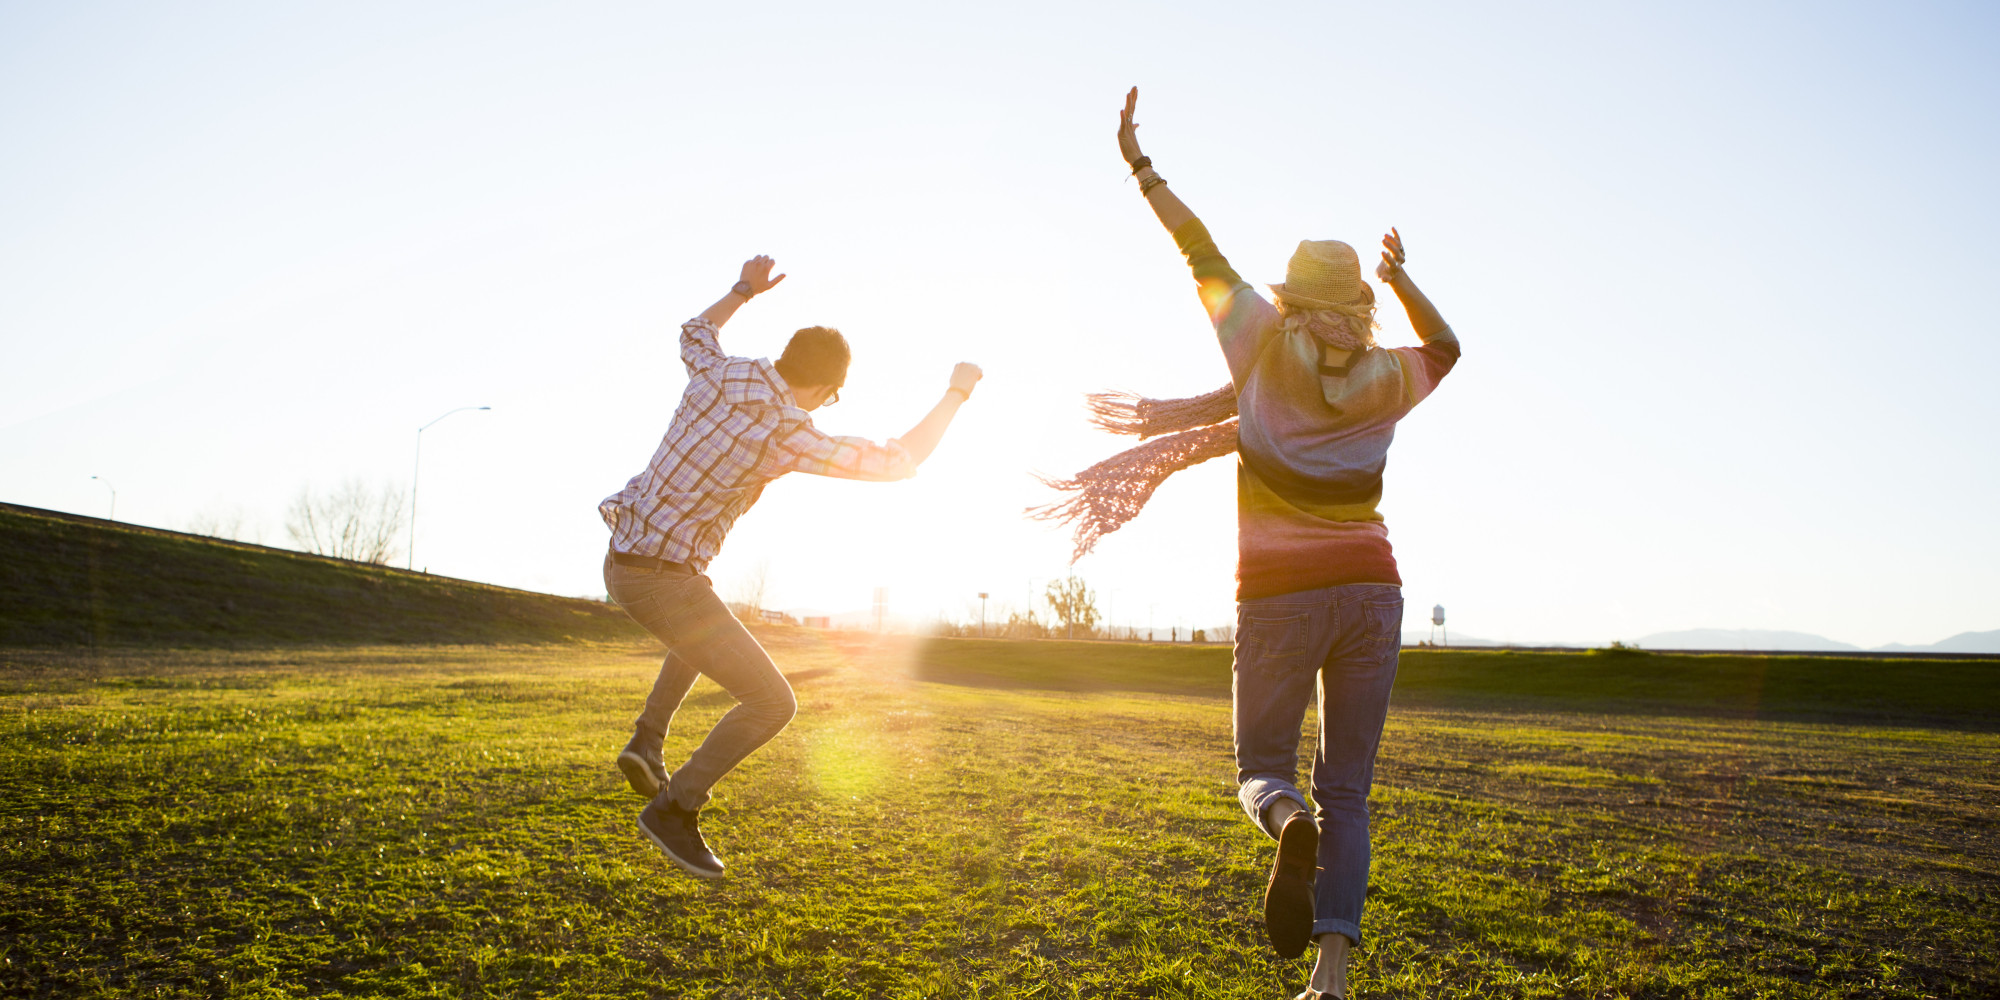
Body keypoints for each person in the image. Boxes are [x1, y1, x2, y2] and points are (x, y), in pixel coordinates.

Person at [1072, 89, 1460, 998]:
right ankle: (1328, 981)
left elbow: (1196, 244)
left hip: (1276, 595)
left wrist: (1140, 165)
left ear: (1288, 295)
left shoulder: (1254, 340)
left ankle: (1284, 820)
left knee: (1261, 770)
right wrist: (1403, 280)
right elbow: (1445, 346)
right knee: (1352, 791)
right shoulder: (1388, 376)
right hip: (1372, 590)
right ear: (1360, 304)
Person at [598, 254, 982, 878]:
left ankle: (648, 738)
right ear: (828, 389)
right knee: (772, 702)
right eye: (832, 399)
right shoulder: (787, 429)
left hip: (624, 560)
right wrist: (956, 393)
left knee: (704, 628)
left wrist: (744, 289)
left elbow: (694, 330)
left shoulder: (719, 374)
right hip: (660, 577)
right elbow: (895, 461)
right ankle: (675, 807)